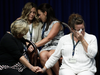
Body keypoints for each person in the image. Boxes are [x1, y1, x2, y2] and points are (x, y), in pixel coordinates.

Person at [35, 3, 64, 75]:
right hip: (47, 47)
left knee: (51, 54)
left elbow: (49, 38)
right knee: (42, 55)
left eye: (39, 14)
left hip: (56, 46)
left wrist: (34, 45)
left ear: (45, 13)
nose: (38, 17)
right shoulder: (43, 24)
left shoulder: (56, 23)